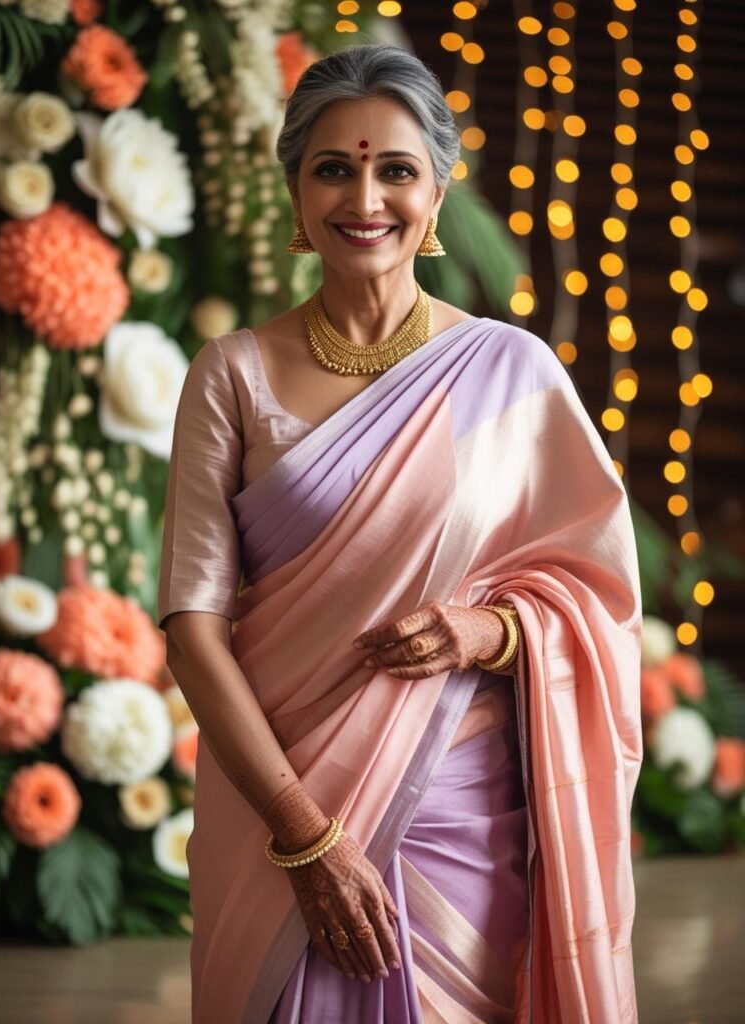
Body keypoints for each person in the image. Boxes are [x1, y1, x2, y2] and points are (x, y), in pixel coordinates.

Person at [157, 43, 643, 1024]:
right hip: (274, 804)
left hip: (458, 809)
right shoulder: (234, 375)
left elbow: (599, 597)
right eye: (334, 168)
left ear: (436, 193)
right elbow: (192, 623)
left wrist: (490, 631)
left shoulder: (513, 374)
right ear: (296, 192)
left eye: (396, 170)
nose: (364, 197)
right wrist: (304, 831)